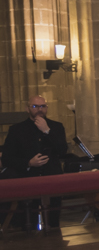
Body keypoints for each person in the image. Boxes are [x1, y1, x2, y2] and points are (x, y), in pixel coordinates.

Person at [1, 95, 68, 229]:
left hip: (51, 177)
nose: (39, 109)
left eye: (42, 106)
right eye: (35, 106)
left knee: (53, 223)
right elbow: (7, 158)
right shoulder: (17, 130)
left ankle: (54, 236)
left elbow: (62, 151)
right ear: (27, 109)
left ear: (47, 108)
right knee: (27, 223)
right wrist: (29, 163)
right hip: (27, 178)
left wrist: (47, 131)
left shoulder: (56, 127)